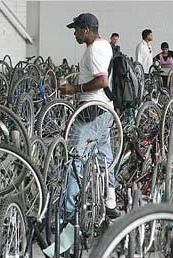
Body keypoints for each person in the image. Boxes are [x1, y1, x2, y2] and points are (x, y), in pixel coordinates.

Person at [59, 12, 120, 220]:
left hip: (91, 110)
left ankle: (68, 212)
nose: (74, 33)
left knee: (75, 156)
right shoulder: (104, 46)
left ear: (86, 30)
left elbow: (102, 81)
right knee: (105, 155)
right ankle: (110, 200)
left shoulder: (94, 51)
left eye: (76, 29)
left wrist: (74, 89)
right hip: (105, 110)